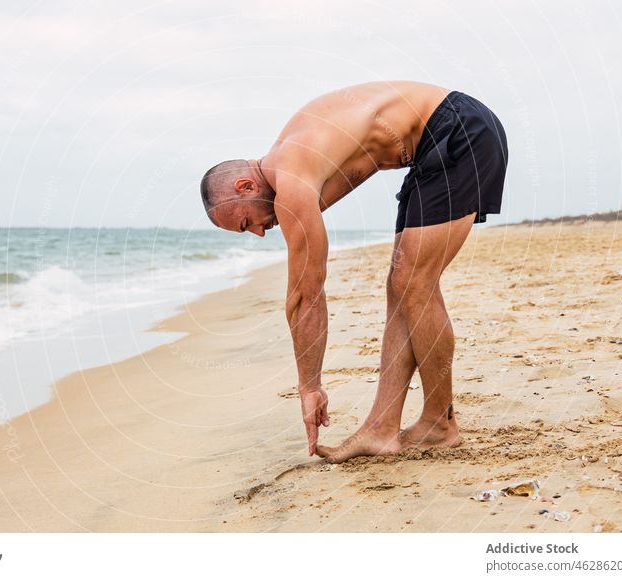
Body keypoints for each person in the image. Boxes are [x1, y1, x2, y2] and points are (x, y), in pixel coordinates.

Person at [199, 81, 508, 462]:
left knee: (415, 282)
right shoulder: (291, 161)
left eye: (247, 223)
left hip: (457, 131)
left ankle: (439, 423)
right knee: (403, 286)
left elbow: (305, 295)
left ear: (245, 186)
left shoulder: (291, 177)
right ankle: (381, 428)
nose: (261, 232)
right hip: (432, 147)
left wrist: (309, 387)